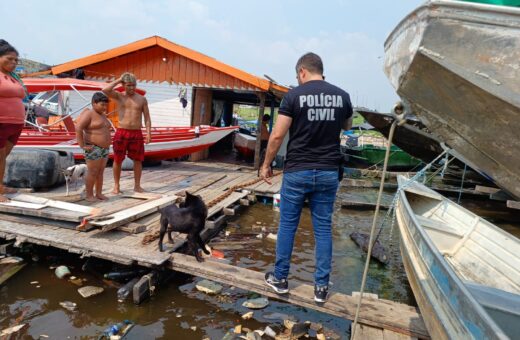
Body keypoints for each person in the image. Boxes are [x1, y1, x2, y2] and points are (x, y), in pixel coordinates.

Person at [260, 53, 353, 303]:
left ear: (302, 71)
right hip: (328, 171)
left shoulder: (293, 96)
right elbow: (347, 126)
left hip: (298, 170)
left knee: (288, 225)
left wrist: (266, 164)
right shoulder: (342, 96)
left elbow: (278, 136)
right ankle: (321, 288)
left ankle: (280, 279)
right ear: (320, 70)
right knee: (323, 228)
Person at [102, 73, 151, 194]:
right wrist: (119, 79)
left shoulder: (142, 99)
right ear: (123, 85)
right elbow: (105, 90)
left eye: (134, 85)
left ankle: (137, 186)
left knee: (138, 160)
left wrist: (149, 133)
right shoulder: (119, 96)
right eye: (129, 85)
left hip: (136, 133)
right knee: (118, 160)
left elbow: (147, 118)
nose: (132, 88)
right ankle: (116, 186)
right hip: (122, 131)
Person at [0, 40, 26, 202]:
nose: (13, 62)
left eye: (16, 60)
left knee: (3, 157)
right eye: (9, 58)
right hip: (1, 121)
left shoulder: (13, 77)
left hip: (15, 124)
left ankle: (0, 185)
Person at [75, 92, 111, 202]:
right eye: (102, 105)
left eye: (106, 105)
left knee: (100, 172)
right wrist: (82, 145)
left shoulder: (102, 115)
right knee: (92, 172)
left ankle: (99, 193)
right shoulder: (89, 114)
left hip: (104, 149)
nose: (105, 107)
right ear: (94, 103)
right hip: (93, 147)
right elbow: (78, 128)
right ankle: (89, 195)